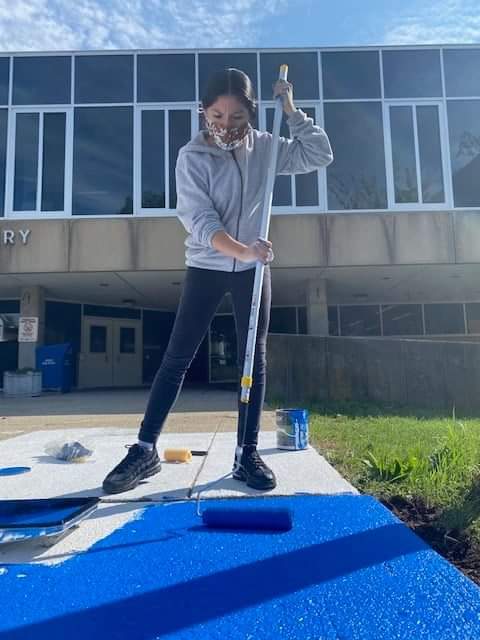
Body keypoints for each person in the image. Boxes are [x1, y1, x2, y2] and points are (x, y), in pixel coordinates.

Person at [102, 67, 333, 495]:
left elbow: (319, 155)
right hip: (210, 264)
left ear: (252, 114)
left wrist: (292, 112)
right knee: (178, 356)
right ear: (202, 112)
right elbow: (201, 222)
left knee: (252, 358)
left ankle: (247, 453)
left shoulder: (267, 148)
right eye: (217, 117)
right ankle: (144, 448)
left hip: (252, 270)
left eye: (238, 118)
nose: (226, 127)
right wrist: (243, 250)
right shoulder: (192, 157)